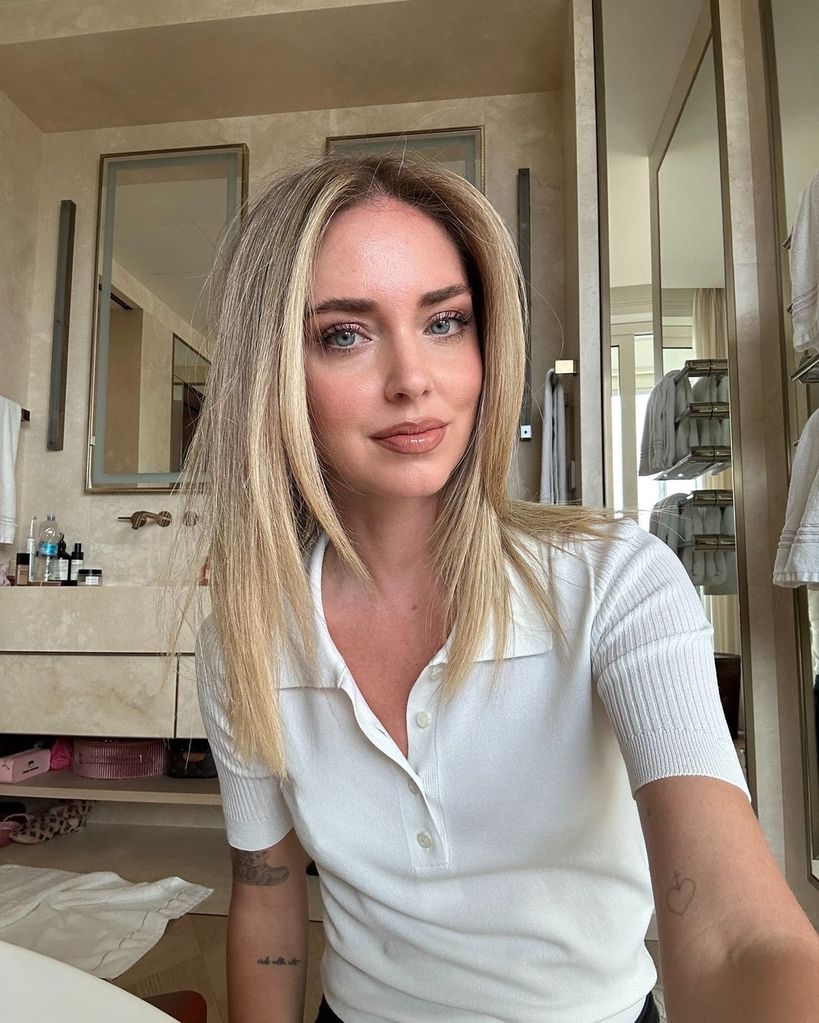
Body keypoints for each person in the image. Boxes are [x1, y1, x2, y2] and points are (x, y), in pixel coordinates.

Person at [184, 154, 819, 1023]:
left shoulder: (615, 581)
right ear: (274, 374)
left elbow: (736, 936)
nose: (413, 378)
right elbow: (265, 895)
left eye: (444, 321)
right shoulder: (244, 637)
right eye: (344, 334)